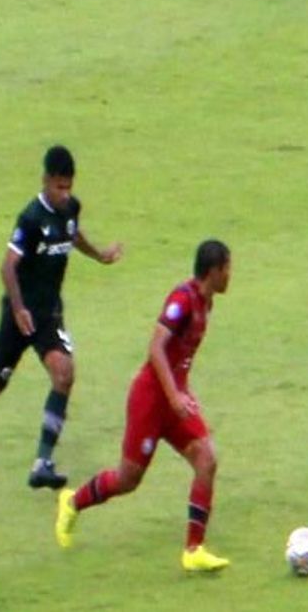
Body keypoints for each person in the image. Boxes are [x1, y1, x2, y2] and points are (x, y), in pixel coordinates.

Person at [0, 145, 123, 490]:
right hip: (20, 314)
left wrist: (99, 255)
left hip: (48, 314)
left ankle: (42, 463)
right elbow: (7, 266)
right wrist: (18, 309)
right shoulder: (31, 218)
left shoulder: (70, 209)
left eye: (69, 187)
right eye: (59, 187)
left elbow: (72, 232)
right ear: (46, 180)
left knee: (64, 374)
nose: (65, 194)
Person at [55, 239, 232, 572]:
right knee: (128, 479)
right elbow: (156, 348)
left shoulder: (208, 303)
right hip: (151, 398)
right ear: (214, 270)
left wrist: (181, 392)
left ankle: (193, 549)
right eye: (227, 268)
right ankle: (72, 501)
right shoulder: (183, 300)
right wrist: (173, 394)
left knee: (207, 461)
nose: (230, 275)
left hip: (176, 399)